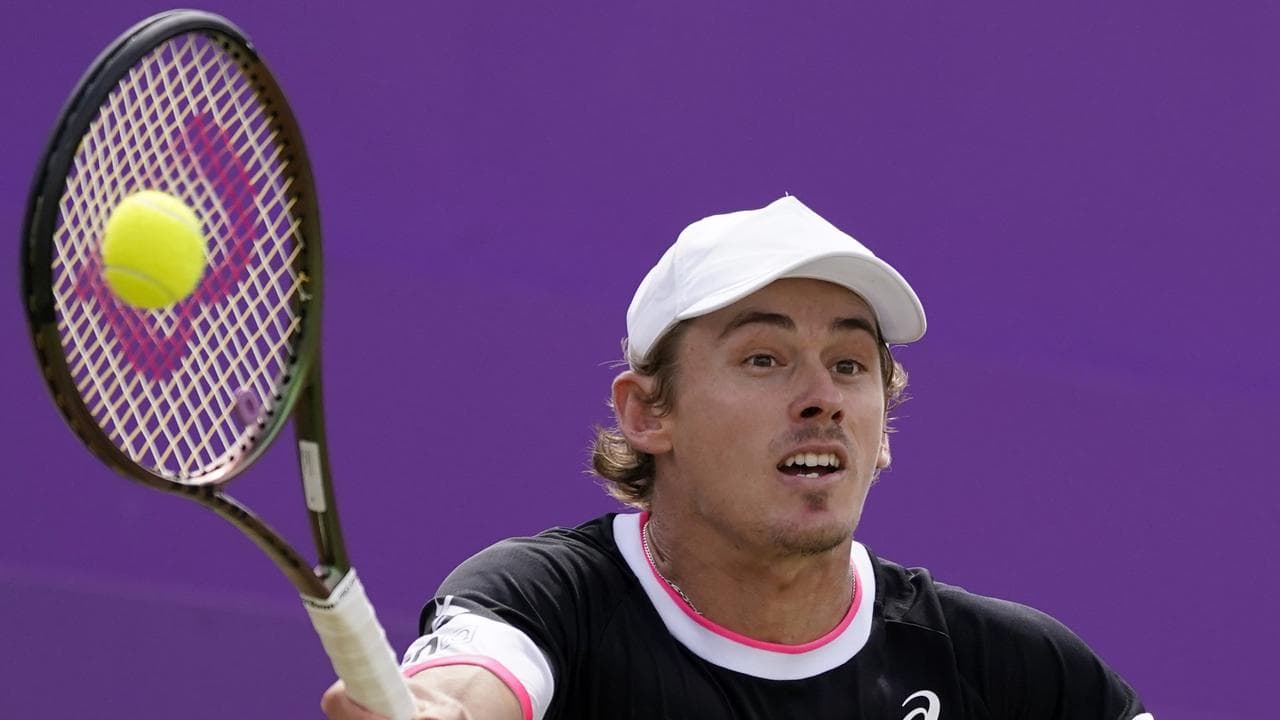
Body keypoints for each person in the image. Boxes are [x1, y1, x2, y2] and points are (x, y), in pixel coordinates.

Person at [322, 196, 1151, 719]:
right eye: (764, 358)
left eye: (851, 365)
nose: (822, 397)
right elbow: (476, 683)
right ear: (649, 412)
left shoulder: (1013, 673)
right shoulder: (547, 602)